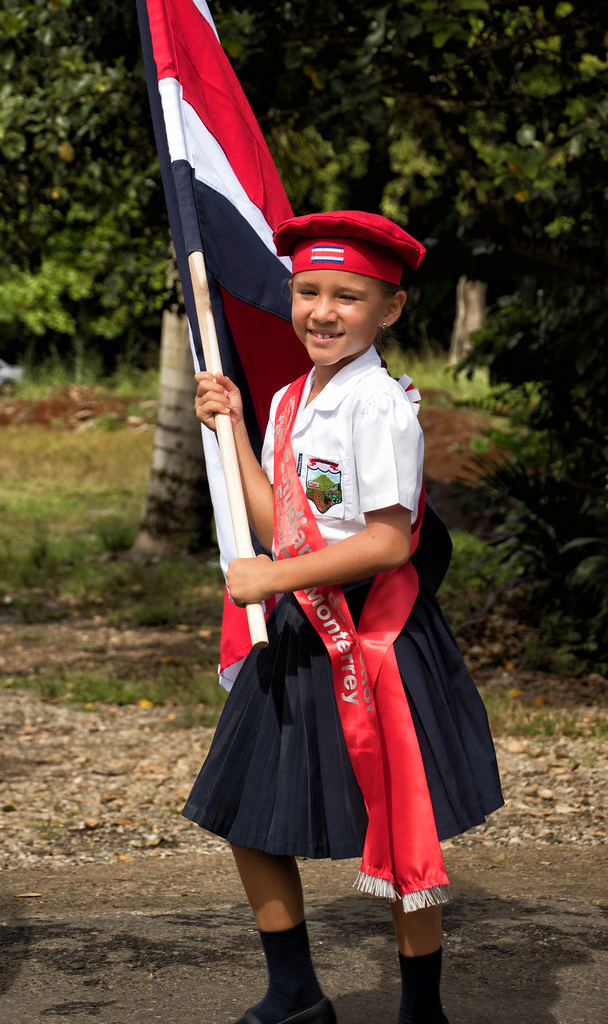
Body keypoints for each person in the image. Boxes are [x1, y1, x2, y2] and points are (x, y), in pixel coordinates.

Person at [184, 211, 504, 1024]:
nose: (321, 310)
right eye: (306, 291)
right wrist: (229, 427)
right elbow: (276, 518)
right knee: (242, 814)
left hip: (375, 635)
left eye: (347, 296)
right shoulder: (294, 395)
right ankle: (293, 993)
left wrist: (275, 576)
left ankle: (420, 1011)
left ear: (388, 310)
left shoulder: (379, 406)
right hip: (298, 630)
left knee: (400, 832)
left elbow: (388, 544)